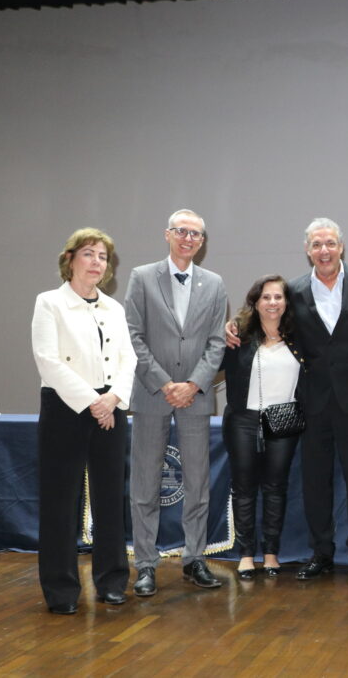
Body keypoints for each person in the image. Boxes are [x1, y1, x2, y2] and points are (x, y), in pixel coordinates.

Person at [229, 219, 348, 581]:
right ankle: (321, 553)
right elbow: (267, 322)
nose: (324, 251)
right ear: (307, 250)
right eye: (316, 244)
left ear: (341, 246)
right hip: (311, 402)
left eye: (330, 243)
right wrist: (233, 326)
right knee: (315, 482)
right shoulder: (294, 290)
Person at [31, 228, 136, 614]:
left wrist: (113, 398)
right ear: (70, 259)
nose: (97, 262)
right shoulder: (49, 303)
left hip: (110, 405)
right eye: (89, 253)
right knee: (61, 502)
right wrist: (93, 401)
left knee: (110, 498)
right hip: (66, 408)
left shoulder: (114, 308)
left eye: (103, 256)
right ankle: (61, 590)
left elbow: (128, 358)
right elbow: (48, 360)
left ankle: (112, 581)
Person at [125, 209, 228, 594]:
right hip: (152, 393)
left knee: (198, 483)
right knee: (145, 484)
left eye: (195, 234)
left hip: (195, 398)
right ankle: (146, 564)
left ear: (202, 242)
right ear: (167, 234)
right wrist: (165, 383)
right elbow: (132, 336)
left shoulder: (214, 284)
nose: (188, 238)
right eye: (181, 231)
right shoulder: (141, 277)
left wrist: (194, 384)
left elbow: (216, 343)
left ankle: (194, 558)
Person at [221, 275, 305, 579]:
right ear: (255, 302)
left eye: (278, 297)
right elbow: (212, 361)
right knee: (243, 488)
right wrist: (222, 332)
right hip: (243, 419)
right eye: (266, 297)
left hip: (284, 416)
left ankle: (271, 553)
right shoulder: (238, 336)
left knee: (275, 488)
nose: (272, 302)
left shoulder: (300, 336)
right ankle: (245, 554)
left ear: (287, 302)